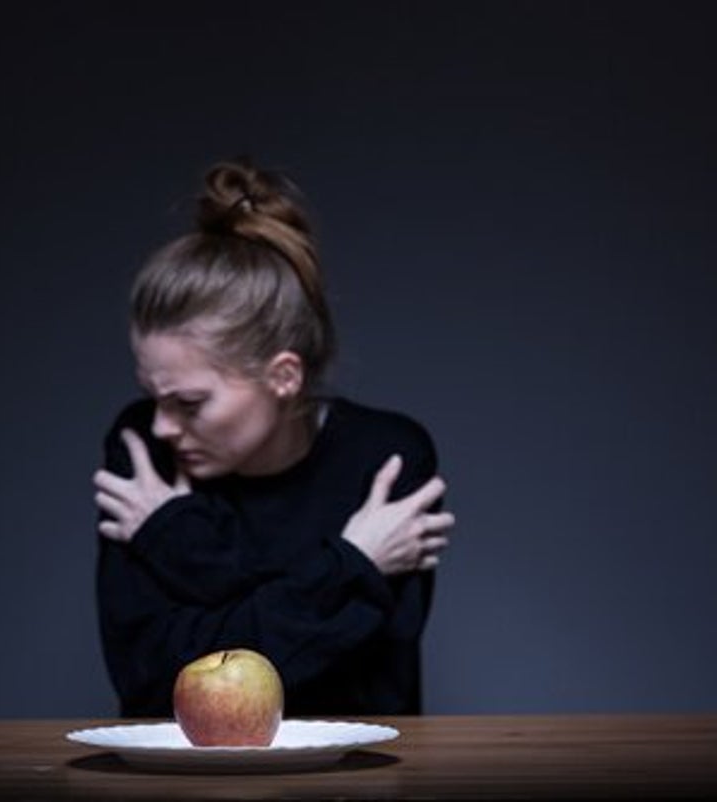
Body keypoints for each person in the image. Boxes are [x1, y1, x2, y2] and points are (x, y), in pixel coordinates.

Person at [92, 159, 455, 718]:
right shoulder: (145, 450)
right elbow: (150, 681)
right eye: (153, 396)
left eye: (189, 403)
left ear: (283, 376)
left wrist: (174, 545)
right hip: (178, 769)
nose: (162, 425)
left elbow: (362, 690)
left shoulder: (386, 459)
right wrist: (353, 566)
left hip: (350, 767)